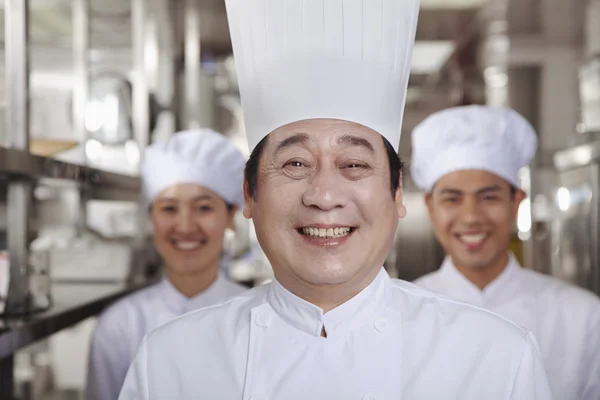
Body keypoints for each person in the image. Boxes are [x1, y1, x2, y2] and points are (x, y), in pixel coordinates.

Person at [118, 1, 553, 398]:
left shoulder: (497, 359)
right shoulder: (169, 363)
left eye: (355, 164)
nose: (324, 196)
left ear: (397, 193)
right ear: (249, 195)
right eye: (294, 164)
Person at [411, 105, 600, 400]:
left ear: (516, 203)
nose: (471, 216)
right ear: (430, 207)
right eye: (452, 199)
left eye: (489, 197)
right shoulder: (400, 315)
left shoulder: (583, 318)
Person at [86, 129, 248, 400]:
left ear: (231, 215)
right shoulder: (118, 327)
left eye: (204, 207)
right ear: (152, 218)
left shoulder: (257, 320)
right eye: (169, 208)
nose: (185, 227)